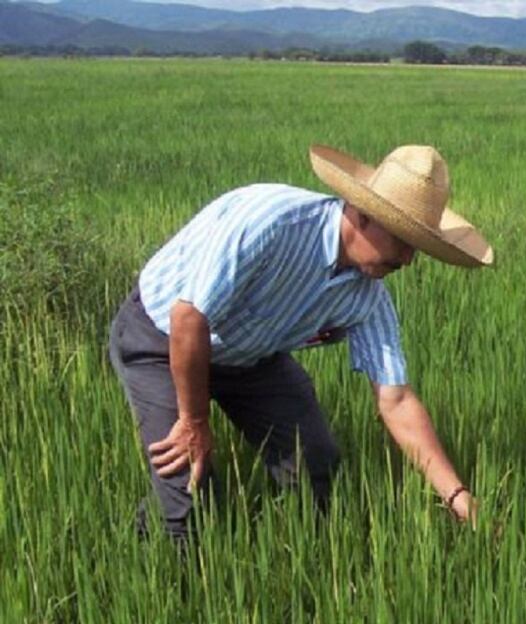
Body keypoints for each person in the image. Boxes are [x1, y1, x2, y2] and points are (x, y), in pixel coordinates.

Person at [108, 144, 493, 540]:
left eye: (418, 248)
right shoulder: (271, 223)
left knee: (313, 465)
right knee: (190, 494)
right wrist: (194, 422)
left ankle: (294, 559)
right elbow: (188, 318)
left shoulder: (367, 296)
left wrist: (458, 498)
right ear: (363, 215)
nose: (408, 260)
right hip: (162, 339)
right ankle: (154, 564)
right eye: (403, 240)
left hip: (251, 356)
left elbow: (396, 400)